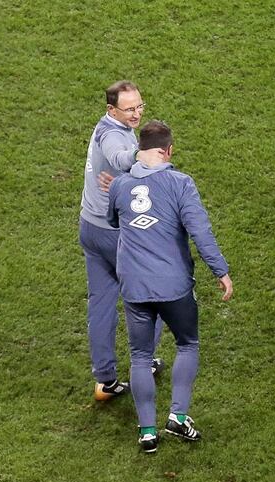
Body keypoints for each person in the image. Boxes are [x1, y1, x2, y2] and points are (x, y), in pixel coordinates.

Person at [106, 120, 233, 453]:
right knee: (187, 343)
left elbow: (113, 221)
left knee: (139, 356)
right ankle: (178, 417)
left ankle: (147, 432)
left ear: (140, 149)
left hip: (134, 286)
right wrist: (220, 270)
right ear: (168, 150)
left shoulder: (119, 186)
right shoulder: (180, 184)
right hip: (174, 286)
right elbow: (200, 233)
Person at [80, 80, 165, 402]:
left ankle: (105, 381)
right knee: (151, 296)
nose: (136, 114)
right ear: (111, 110)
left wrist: (123, 178)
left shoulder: (103, 128)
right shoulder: (114, 134)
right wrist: (140, 157)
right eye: (129, 109)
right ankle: (144, 363)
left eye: (139, 106)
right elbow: (118, 156)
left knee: (100, 304)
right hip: (115, 234)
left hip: (89, 227)